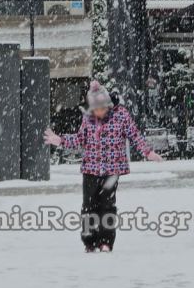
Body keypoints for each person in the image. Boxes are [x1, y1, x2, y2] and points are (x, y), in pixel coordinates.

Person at [44, 80, 163, 253]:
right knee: (88, 207)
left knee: (107, 206)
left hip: (111, 170)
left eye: (102, 108)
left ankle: (106, 241)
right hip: (91, 169)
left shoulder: (121, 115)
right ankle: (90, 241)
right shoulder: (88, 118)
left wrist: (148, 153)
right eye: (96, 110)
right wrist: (60, 140)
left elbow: (134, 135)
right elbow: (80, 139)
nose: (99, 112)